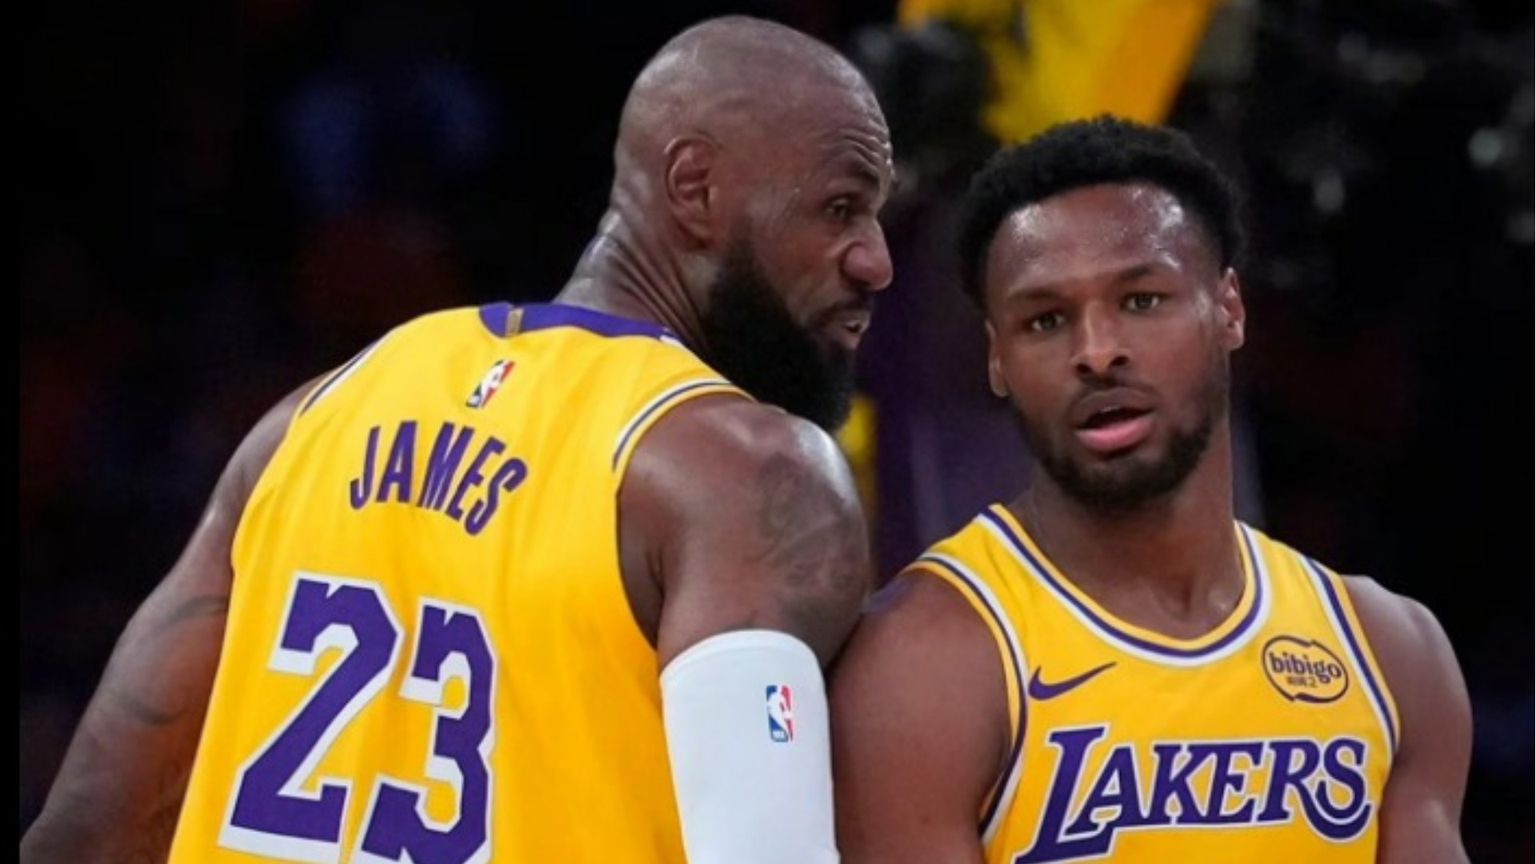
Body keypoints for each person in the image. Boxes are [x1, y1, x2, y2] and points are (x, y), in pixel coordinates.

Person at [22, 15, 894, 864]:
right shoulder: (744, 472)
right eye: (841, 207)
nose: (876, 261)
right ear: (696, 189)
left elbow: (90, 828)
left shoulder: (313, 416)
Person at [830, 116, 1469, 864]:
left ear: (1228, 308)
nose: (1098, 353)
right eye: (1046, 320)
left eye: (1141, 300)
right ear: (998, 358)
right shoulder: (923, 668)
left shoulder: (1390, 651)